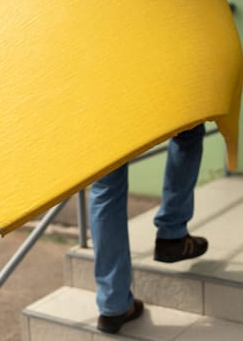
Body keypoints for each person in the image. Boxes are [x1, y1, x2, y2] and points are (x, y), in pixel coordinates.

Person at [89, 123, 208, 334]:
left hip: (102, 95)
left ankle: (113, 304)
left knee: (106, 181)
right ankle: (172, 234)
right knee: (189, 128)